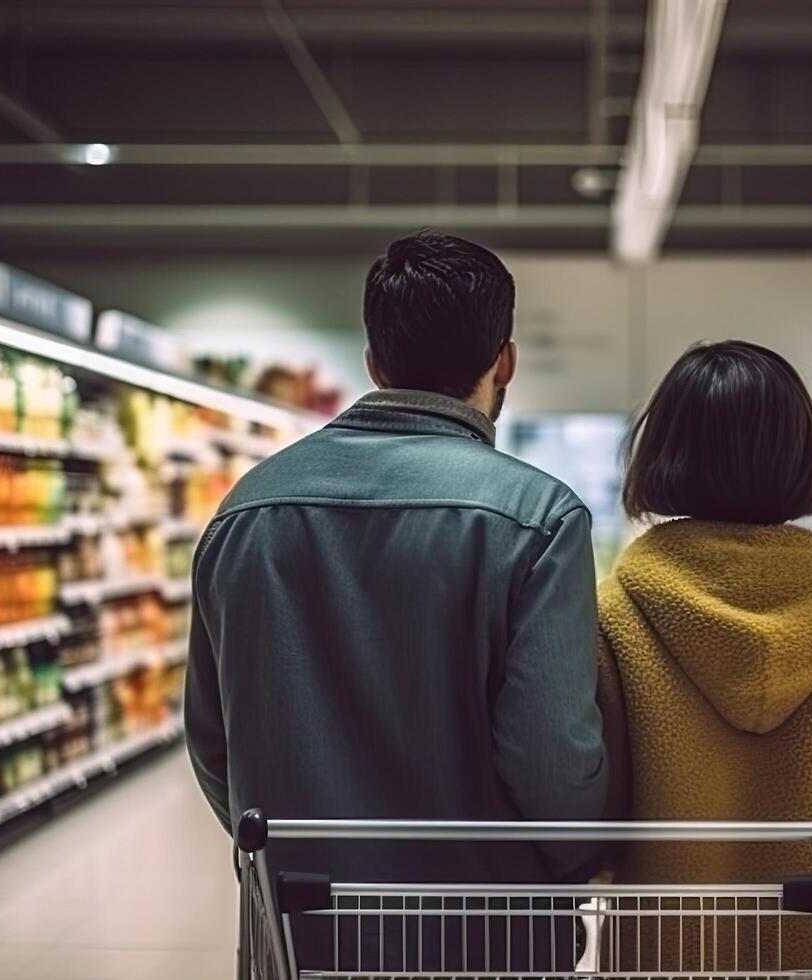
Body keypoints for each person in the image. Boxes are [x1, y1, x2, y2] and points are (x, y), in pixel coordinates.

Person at [184, 231, 609, 971]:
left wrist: (293, 854)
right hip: (486, 935)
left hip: (303, 932)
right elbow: (550, 758)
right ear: (504, 361)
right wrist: (576, 864)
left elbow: (215, 741)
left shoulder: (245, 511)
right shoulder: (539, 518)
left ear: (374, 361)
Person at [595, 340, 812, 973]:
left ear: (662, 451)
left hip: (667, 948)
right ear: (802, 454)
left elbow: (598, 799)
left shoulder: (618, 610)